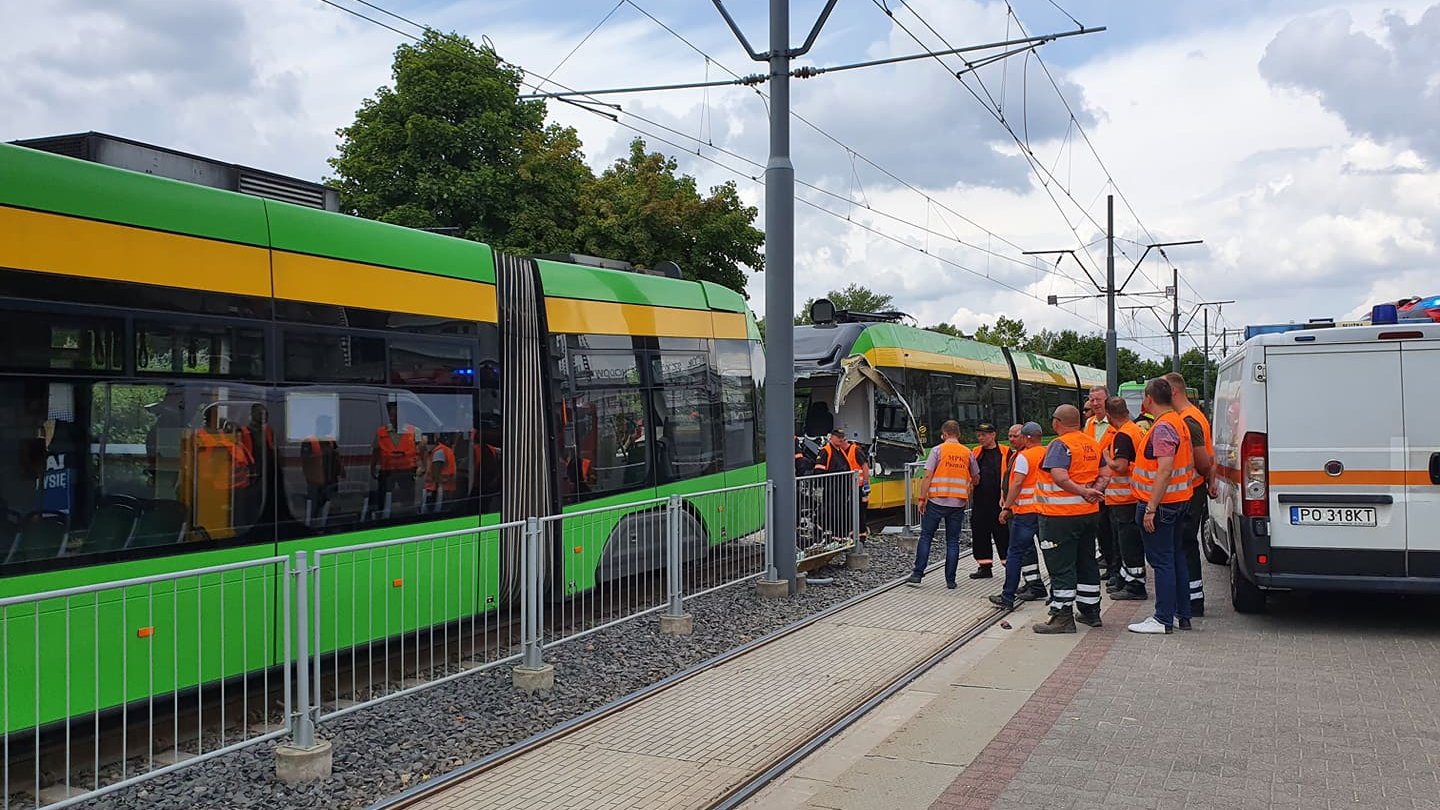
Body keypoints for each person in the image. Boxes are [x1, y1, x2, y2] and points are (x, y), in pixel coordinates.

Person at [1032, 404, 1109, 634]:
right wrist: (1095, 490)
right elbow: (1106, 473)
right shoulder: (1091, 444)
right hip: (1087, 514)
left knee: (1061, 566)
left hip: (1059, 518)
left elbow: (1059, 476)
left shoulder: (1059, 445)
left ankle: (1062, 617)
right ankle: (1090, 611)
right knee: (1086, 562)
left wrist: (1083, 492)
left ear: (1057, 422)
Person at [1127, 378, 1195, 634]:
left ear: (1148, 399)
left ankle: (1163, 618)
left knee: (1162, 561)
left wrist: (1151, 508)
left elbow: (1164, 469)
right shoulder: (1178, 422)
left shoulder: (1164, 426)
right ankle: (1181, 614)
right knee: (1175, 557)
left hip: (1161, 505)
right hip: (1178, 502)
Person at [1164, 372, 1215, 617]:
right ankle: (1192, 597)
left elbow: (1202, 459)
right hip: (1193, 489)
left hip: (1189, 491)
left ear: (1173, 392)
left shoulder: (1187, 420)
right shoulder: (1195, 415)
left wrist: (1207, 476)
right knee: (1186, 545)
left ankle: (1192, 600)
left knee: (1185, 545)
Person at [906, 420, 980, 589]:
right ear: (958, 434)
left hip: (936, 501)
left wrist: (921, 498)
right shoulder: (967, 453)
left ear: (945, 434)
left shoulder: (937, 450)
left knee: (926, 537)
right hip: (958, 503)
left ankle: (917, 575)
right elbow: (976, 478)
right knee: (953, 541)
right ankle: (951, 581)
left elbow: (927, 476)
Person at [988, 422, 1050, 608]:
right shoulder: (1048, 452)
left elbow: (1016, 484)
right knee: (1050, 553)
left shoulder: (1024, 457)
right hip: (1046, 511)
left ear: (1026, 437)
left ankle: (1007, 597)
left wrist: (1006, 507)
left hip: (1025, 513)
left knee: (1014, 553)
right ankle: (1056, 595)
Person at [1100, 397, 1147, 600]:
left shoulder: (1122, 435)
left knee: (1128, 545)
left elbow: (1120, 465)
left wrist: (1106, 457)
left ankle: (1135, 586)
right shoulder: (1135, 429)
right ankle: (1125, 580)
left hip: (1124, 499)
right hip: (1131, 497)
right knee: (1125, 544)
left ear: (1109, 415)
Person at [1083, 387, 1118, 586]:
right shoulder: (1089, 424)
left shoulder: (1115, 424)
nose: (1095, 403)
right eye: (1092, 400)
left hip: (1112, 487)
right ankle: (1109, 563)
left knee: (1113, 530)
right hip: (1094, 485)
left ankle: (1115, 570)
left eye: (1098, 399)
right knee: (1101, 529)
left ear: (1107, 400)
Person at [968, 422, 1010, 579]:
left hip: (999, 502)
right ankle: (984, 567)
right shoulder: (976, 452)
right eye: (979, 435)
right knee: (980, 534)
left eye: (984, 435)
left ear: (993, 435)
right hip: (980, 501)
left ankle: (1009, 566)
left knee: (1003, 534)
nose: (980, 438)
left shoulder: (1005, 452)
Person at [814, 428, 868, 541]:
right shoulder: (826, 451)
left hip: (843, 489)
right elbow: (819, 471)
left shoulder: (840, 451)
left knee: (841, 513)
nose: (840, 439)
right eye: (838, 437)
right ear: (832, 437)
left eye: (842, 437)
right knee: (830, 512)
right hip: (832, 489)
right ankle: (824, 535)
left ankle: (839, 537)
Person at [371, 401, 420, 519]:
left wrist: (420, 466)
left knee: (408, 498)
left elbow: (420, 451)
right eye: (392, 415)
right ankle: (383, 518)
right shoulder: (381, 432)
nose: (395, 418)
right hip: (387, 470)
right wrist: (372, 467)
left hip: (407, 471)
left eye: (398, 415)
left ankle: (409, 518)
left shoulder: (414, 431)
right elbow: (376, 451)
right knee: (383, 497)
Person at [301, 413, 344, 528]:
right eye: (328, 424)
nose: (331, 427)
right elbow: (305, 461)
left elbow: (337, 456)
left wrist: (341, 470)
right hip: (316, 482)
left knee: (331, 508)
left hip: (331, 481)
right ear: (320, 425)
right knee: (315, 509)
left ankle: (330, 528)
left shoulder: (331, 440)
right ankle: (313, 529)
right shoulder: (309, 441)